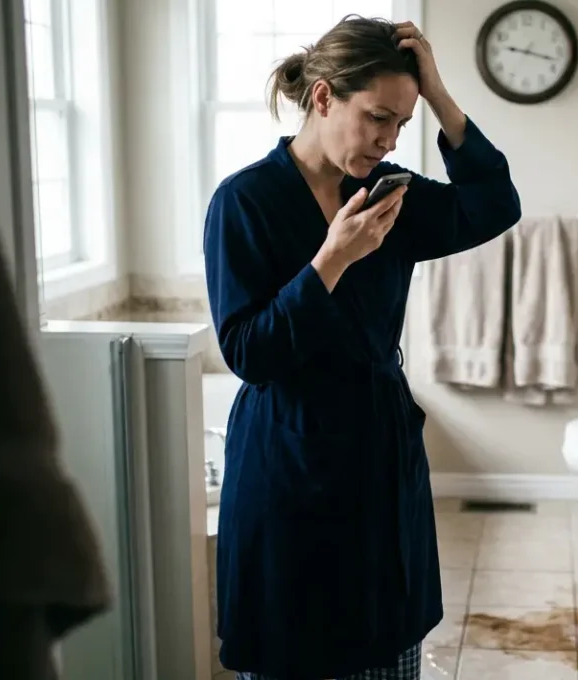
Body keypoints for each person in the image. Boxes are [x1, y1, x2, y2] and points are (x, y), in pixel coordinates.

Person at [203, 15, 522, 680]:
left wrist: (437, 92)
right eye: (378, 117)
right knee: (292, 639)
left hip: (379, 450)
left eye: (402, 123)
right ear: (323, 98)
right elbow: (249, 354)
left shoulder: (388, 195)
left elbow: (496, 204)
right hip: (287, 457)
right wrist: (332, 260)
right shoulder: (244, 202)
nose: (389, 138)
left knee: (385, 636)